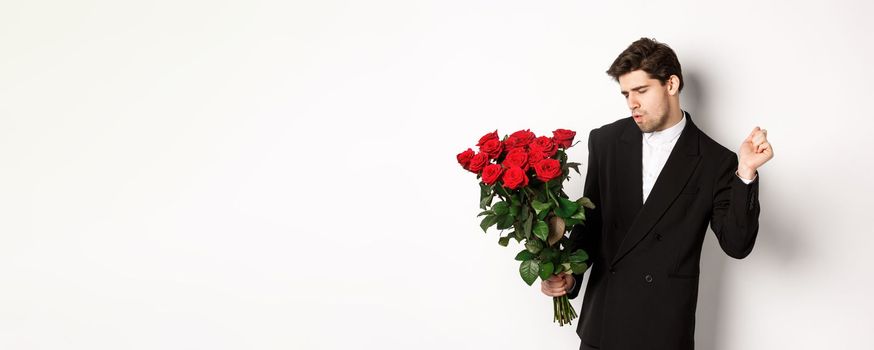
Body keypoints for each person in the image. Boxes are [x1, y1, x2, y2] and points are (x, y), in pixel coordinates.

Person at [540, 38, 773, 350]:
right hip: (605, 324)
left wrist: (745, 172)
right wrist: (569, 275)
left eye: (641, 91)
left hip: (663, 329)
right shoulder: (606, 142)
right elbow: (590, 226)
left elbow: (737, 244)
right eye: (626, 94)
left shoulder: (716, 160)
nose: (632, 103)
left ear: (671, 84)